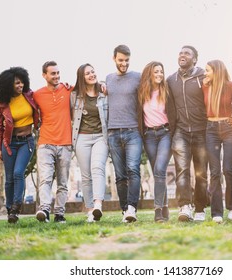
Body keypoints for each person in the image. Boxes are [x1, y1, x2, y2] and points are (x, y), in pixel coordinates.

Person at [167, 45, 208, 222]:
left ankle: (200, 208)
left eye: (187, 53)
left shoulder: (204, 76)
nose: (182, 55)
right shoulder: (171, 80)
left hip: (201, 131)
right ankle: (185, 206)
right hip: (181, 132)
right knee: (182, 171)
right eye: (181, 52)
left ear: (195, 59)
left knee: (201, 173)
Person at [0, 66, 39, 223]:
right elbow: (0, 128)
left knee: (18, 173)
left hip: (26, 141)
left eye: (21, 83)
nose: (20, 86)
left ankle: (16, 206)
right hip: (9, 144)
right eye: (16, 84)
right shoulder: (3, 103)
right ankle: (10, 210)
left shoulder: (30, 95)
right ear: (8, 86)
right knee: (9, 179)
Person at [34, 61, 73, 223]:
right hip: (45, 143)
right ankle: (44, 209)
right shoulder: (37, 95)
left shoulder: (68, 89)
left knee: (63, 182)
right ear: (44, 75)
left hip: (65, 143)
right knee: (45, 178)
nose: (56, 76)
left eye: (58, 73)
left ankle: (59, 214)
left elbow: (88, 87)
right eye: (53, 73)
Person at [106, 45, 142, 223]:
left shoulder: (137, 77)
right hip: (113, 132)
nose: (124, 63)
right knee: (120, 175)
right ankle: (124, 210)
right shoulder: (108, 79)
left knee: (133, 170)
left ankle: (132, 208)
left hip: (133, 131)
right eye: (121, 60)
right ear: (114, 59)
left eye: (127, 60)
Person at [71, 63, 109, 223]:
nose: (92, 75)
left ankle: (98, 205)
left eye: (93, 71)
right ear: (82, 77)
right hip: (82, 138)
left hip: (101, 136)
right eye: (87, 73)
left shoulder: (104, 92)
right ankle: (90, 211)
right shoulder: (75, 96)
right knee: (86, 176)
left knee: (97, 168)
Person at [203, 60, 232, 224]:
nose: (205, 73)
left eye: (208, 70)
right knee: (215, 171)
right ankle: (216, 212)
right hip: (211, 129)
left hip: (229, 128)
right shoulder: (204, 87)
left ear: (216, 71)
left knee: (227, 168)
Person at [138, 61, 172, 222]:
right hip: (149, 136)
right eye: (156, 71)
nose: (159, 74)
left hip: (165, 133)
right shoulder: (142, 92)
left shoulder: (167, 90)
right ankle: (165, 207)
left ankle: (158, 210)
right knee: (158, 173)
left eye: (161, 71)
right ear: (149, 74)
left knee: (159, 169)